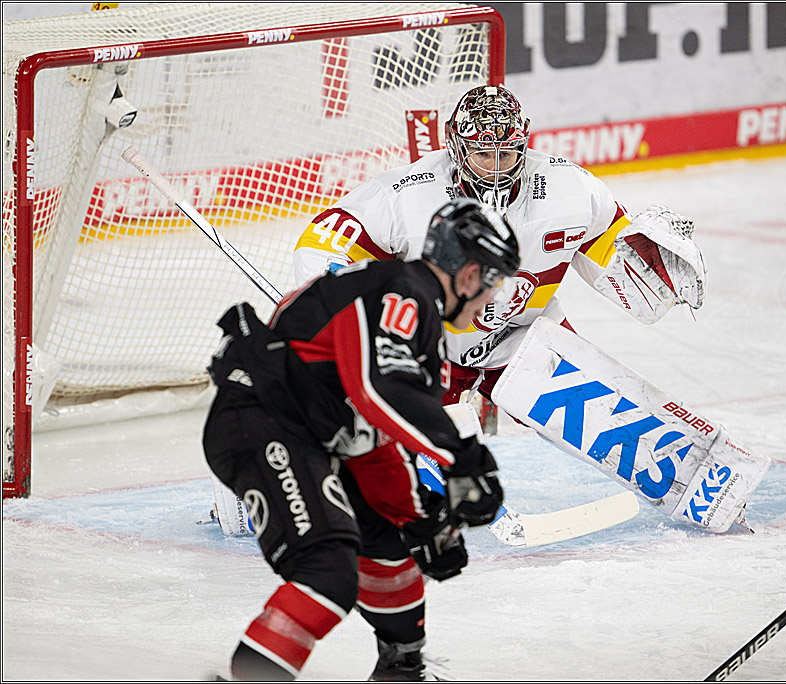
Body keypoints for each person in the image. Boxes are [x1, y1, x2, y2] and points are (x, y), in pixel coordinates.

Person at [203, 198, 520, 681]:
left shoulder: (411, 309)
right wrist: (463, 457)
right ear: (470, 275)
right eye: (495, 282)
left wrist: (418, 519)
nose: (492, 299)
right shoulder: (402, 292)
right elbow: (380, 388)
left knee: (388, 550)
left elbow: (374, 438)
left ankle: (402, 668)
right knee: (327, 571)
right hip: (262, 423)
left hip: (306, 432)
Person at [293, 84, 706, 413]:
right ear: (457, 148)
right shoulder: (404, 195)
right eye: (481, 154)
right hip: (427, 348)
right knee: (417, 458)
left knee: (614, 419)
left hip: (524, 337)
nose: (494, 169)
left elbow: (616, 251)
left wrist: (657, 271)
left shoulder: (571, 190)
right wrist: (343, 309)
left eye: (505, 154)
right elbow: (321, 243)